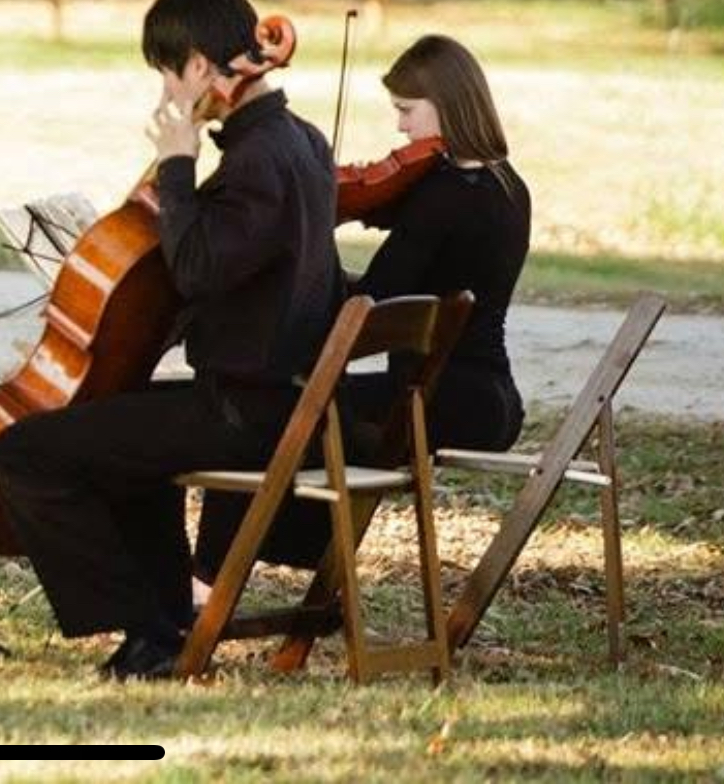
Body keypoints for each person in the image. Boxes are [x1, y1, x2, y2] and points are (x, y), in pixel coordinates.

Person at [0, 0, 343, 680]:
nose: (165, 96)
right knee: (120, 438)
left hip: (246, 412)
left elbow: (200, 267)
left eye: (167, 75)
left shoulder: (257, 160)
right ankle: (166, 625)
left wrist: (179, 161)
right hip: (275, 399)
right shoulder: (301, 141)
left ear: (203, 69)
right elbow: (232, 273)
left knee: (27, 453)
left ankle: (146, 626)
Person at [191, 32, 530, 584]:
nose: (401, 128)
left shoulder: (443, 197)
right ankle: (260, 568)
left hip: (441, 399)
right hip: (481, 397)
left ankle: (209, 582)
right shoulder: (503, 185)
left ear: (449, 103)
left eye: (407, 111)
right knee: (288, 414)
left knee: (262, 415)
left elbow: (367, 308)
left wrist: (303, 265)